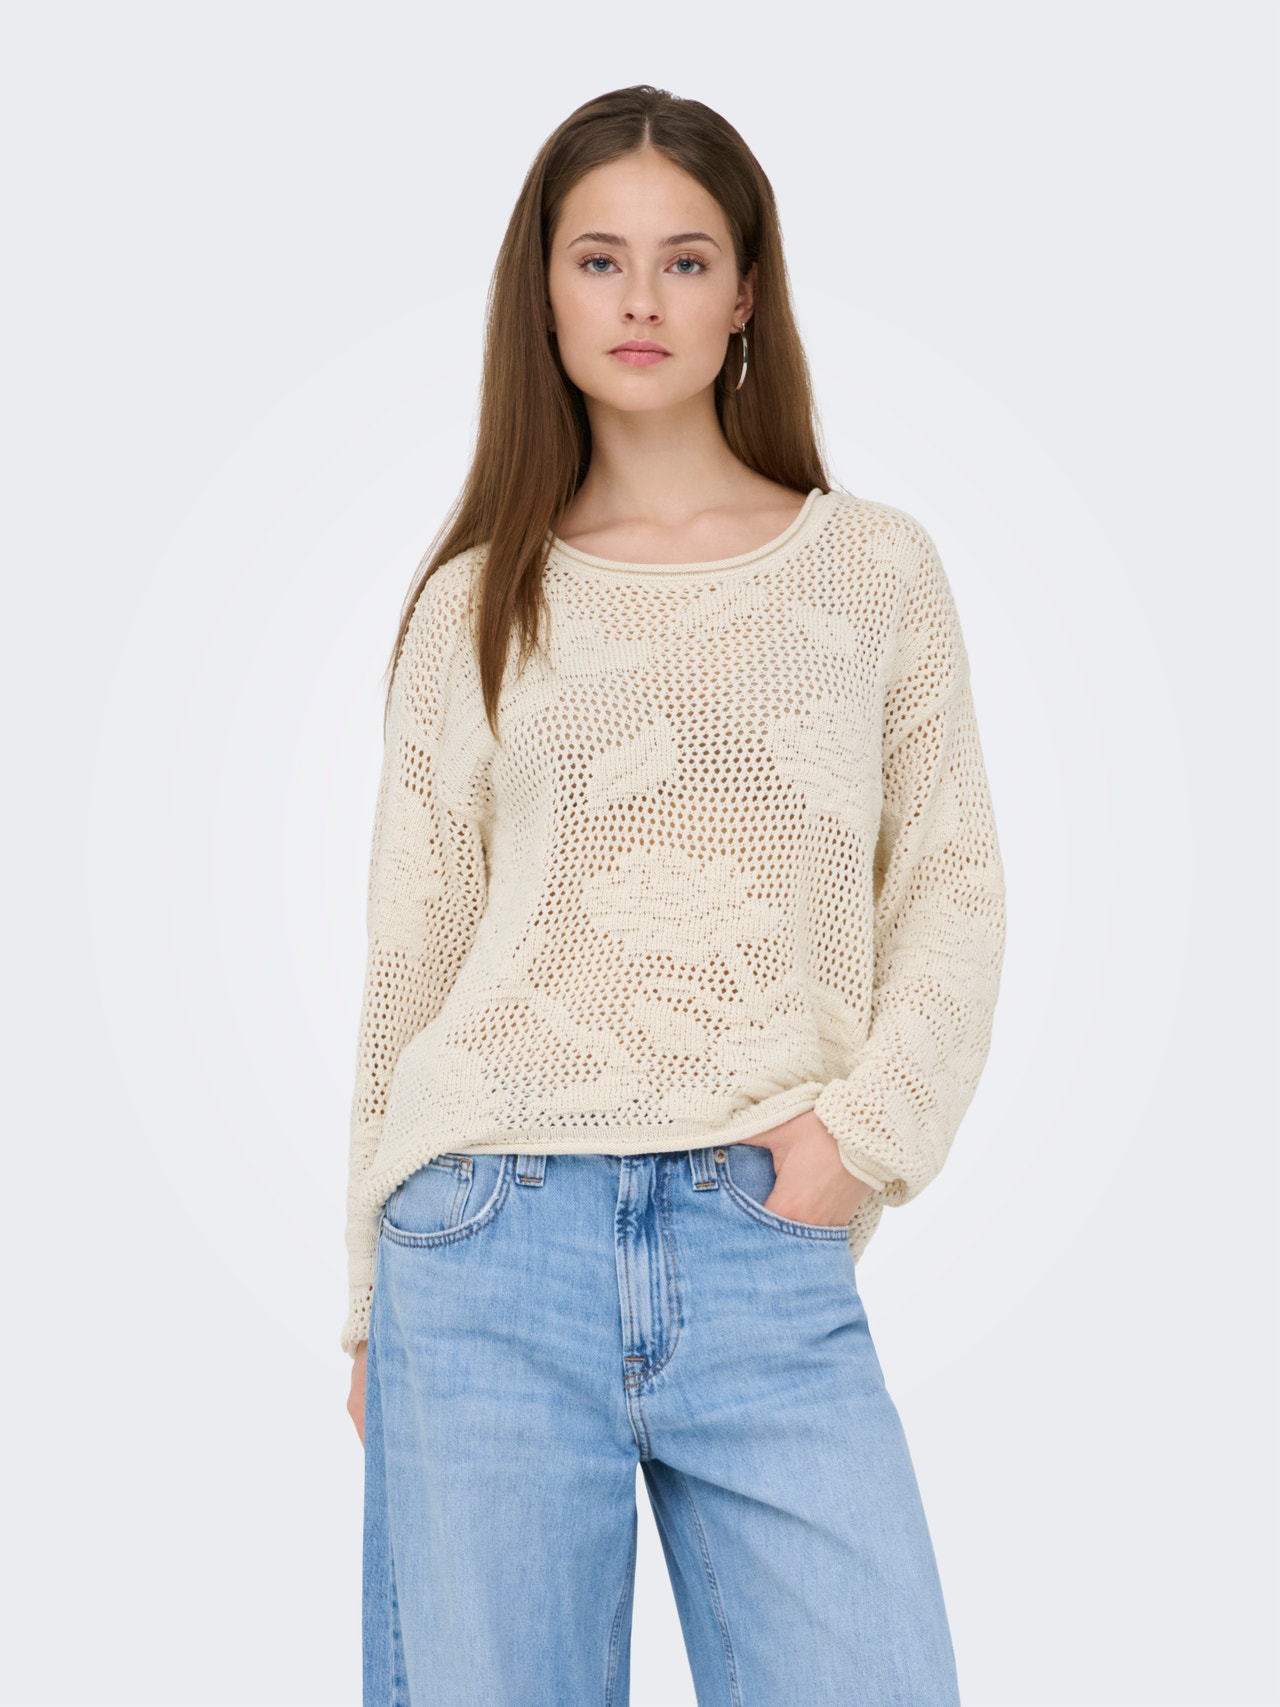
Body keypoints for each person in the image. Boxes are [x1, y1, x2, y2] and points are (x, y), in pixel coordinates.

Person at [342, 83, 1006, 1707]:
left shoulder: (872, 570)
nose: (641, 299)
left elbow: (951, 886)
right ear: (543, 292)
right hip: (485, 1239)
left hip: (762, 1239)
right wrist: (366, 1302)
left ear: (746, 293)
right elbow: (411, 951)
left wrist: (861, 1138)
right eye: (600, 260)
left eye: (686, 259)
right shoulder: (474, 599)